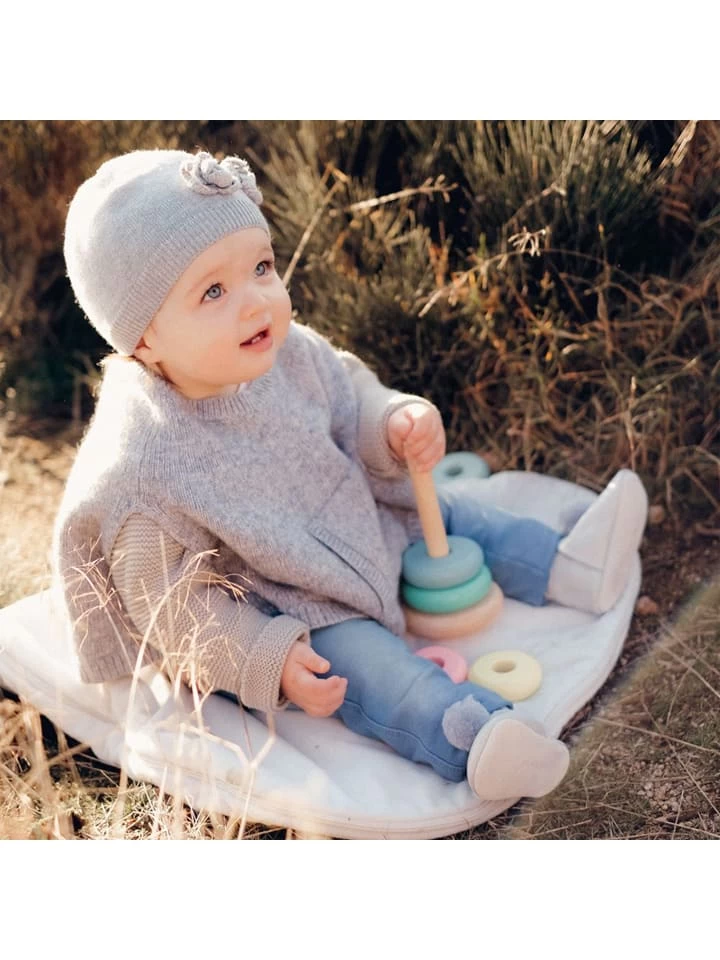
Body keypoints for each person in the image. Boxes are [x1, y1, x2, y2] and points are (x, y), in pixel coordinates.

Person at [52, 147, 648, 802]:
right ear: (142, 338)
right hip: (294, 604)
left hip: (358, 516)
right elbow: (172, 607)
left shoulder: (287, 352)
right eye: (213, 291)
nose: (256, 302)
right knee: (373, 673)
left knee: (452, 513)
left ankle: (569, 566)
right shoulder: (142, 468)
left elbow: (348, 393)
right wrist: (267, 655)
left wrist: (391, 421)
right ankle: (474, 737)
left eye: (262, 267)